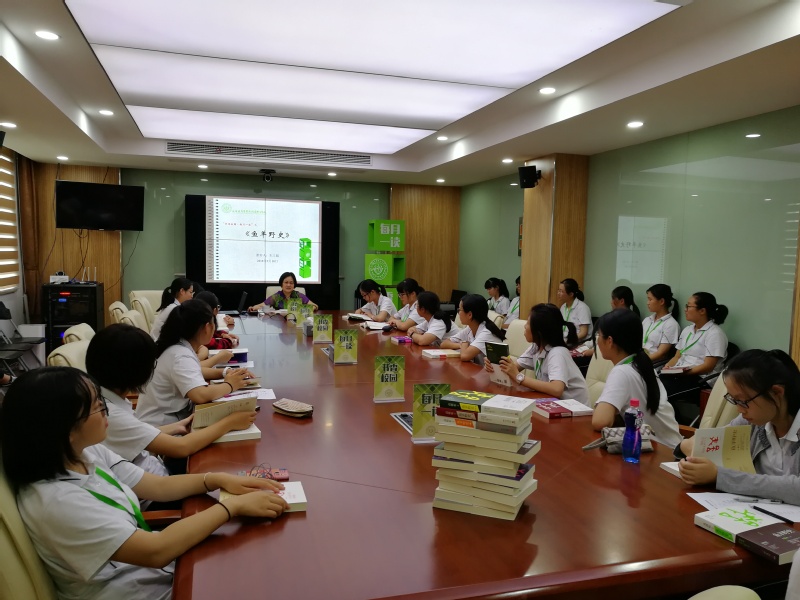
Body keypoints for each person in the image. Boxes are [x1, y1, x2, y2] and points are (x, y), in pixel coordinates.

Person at [0, 367, 287, 600]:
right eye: (96, 407)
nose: (106, 410)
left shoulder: (85, 453)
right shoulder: (57, 502)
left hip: (155, 575)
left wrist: (215, 479)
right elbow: (155, 550)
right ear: (64, 430)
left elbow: (158, 487)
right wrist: (231, 508)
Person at [86, 324, 258, 476]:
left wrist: (177, 426)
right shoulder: (109, 414)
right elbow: (182, 447)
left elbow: (135, 434)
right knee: (230, 465)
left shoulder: (106, 400)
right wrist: (230, 422)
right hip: (157, 485)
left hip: (155, 466)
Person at [677, 349, 800, 505]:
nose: (739, 410)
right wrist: (688, 449)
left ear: (776, 392)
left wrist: (720, 476)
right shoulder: (752, 421)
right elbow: (698, 442)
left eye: (743, 401)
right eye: (734, 401)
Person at [135, 299, 251, 427]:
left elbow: (195, 371)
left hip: (167, 422)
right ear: (207, 327)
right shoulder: (180, 355)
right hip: (161, 427)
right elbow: (200, 395)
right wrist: (230, 385)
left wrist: (226, 372)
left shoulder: (177, 346)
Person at [591, 309, 682, 446]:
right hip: (669, 446)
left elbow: (600, 422)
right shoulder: (641, 364)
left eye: (599, 335)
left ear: (609, 341)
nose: (597, 340)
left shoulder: (621, 372)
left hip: (659, 451)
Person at [485, 303, 589, 405]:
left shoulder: (558, 352)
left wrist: (519, 377)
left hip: (574, 409)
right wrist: (494, 365)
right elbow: (512, 369)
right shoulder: (536, 347)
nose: (525, 326)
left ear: (539, 331)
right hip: (553, 403)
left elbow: (557, 389)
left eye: (528, 323)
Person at [661, 292, 729, 414]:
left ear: (702, 311)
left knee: (661, 393)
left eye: (688, 306)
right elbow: (677, 356)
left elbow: (708, 366)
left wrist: (684, 373)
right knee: (649, 385)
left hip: (701, 379)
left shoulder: (715, 334)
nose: (685, 309)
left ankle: (673, 423)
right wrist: (668, 367)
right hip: (681, 374)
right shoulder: (688, 330)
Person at [440, 294, 505, 364]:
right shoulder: (470, 328)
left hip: (495, 370)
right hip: (479, 368)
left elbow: (464, 356)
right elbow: (444, 344)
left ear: (470, 315)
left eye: (459, 310)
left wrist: (464, 343)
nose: (458, 313)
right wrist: (460, 345)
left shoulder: (487, 333)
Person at [641, 283, 680, 364]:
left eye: (650, 299)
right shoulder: (647, 320)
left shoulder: (671, 324)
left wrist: (640, 362)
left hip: (652, 363)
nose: (648, 303)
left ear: (661, 301)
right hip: (639, 357)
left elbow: (661, 353)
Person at [248, 271, 318, 312]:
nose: (288, 285)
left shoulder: (299, 295)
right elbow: (262, 305)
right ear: (281, 284)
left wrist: (304, 310)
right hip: (280, 323)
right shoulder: (277, 297)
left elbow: (315, 306)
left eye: (291, 283)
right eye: (286, 282)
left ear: (294, 285)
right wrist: (253, 308)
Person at [556, 278, 592, 344]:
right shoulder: (563, 307)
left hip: (580, 342)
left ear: (571, 294)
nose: (558, 293)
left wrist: (568, 341)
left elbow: (583, 333)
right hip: (566, 339)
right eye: (558, 290)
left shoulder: (582, 308)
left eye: (561, 291)